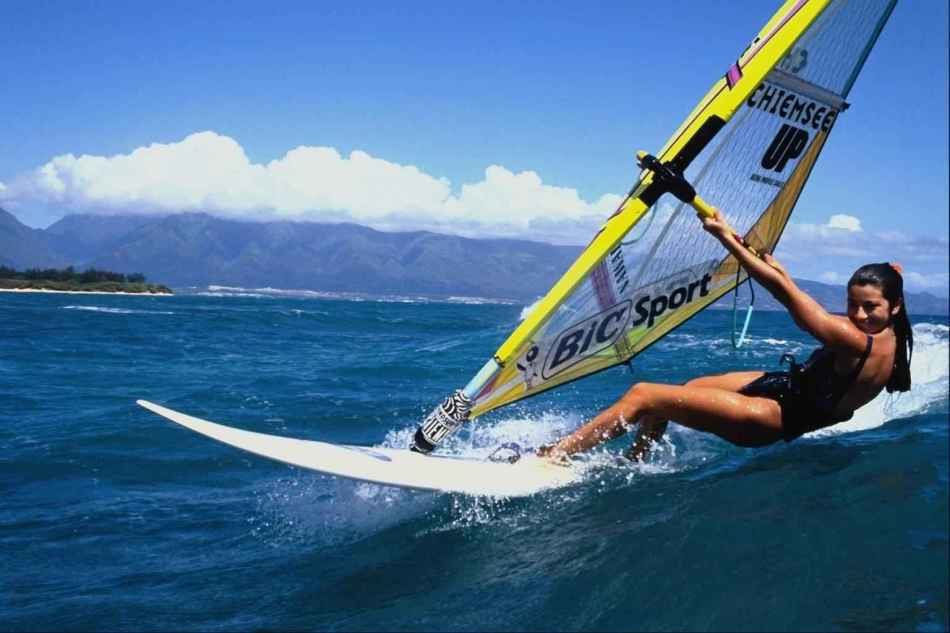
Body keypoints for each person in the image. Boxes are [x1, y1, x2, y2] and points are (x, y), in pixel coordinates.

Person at [538, 208, 913, 463]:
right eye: (853, 304)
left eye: (870, 307)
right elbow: (792, 289)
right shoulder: (891, 334)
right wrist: (773, 264)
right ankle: (636, 460)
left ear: (894, 305)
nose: (859, 314)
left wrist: (725, 240)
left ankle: (555, 457)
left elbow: (785, 295)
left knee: (644, 394)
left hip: (775, 416)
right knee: (689, 388)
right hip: (791, 390)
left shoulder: (854, 340)